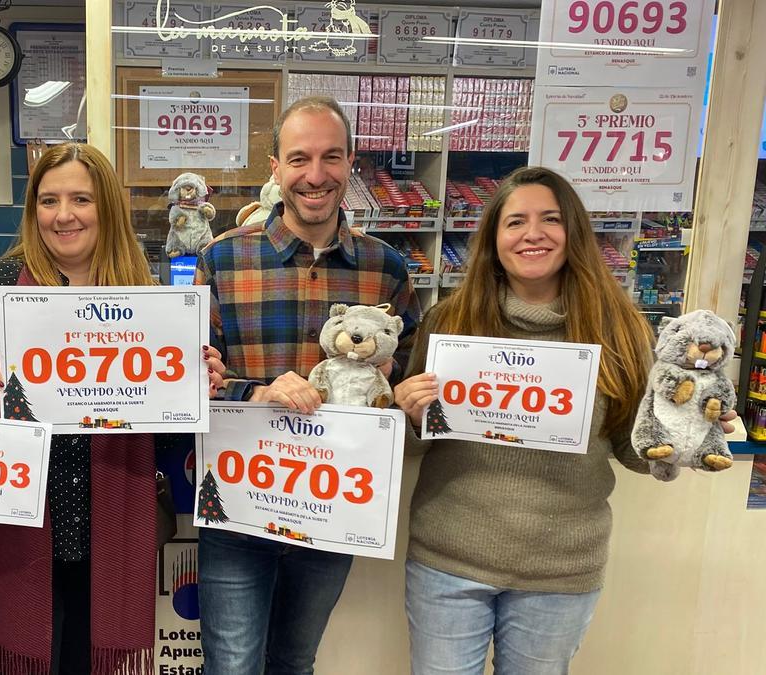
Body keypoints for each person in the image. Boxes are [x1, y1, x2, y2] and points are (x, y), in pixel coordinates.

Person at [392, 165, 697, 674]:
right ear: (493, 239)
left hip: (560, 570)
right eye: (515, 222)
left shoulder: (618, 328)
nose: (532, 234)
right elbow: (415, 443)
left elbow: (631, 448)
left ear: (572, 232)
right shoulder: (450, 322)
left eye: (549, 219)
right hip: (448, 560)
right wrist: (407, 412)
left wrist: (682, 433)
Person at [0, 142, 226, 675]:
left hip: (112, 521)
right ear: (34, 212)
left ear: (107, 210)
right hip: (23, 522)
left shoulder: (144, 297)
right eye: (48, 201)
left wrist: (195, 388)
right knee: (32, 656)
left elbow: (166, 436)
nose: (64, 215)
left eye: (81, 198)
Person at [194, 96, 421, 674]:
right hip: (239, 503)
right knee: (232, 665)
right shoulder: (222, 260)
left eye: (330, 158)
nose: (315, 175)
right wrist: (256, 392)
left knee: (294, 662)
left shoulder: (386, 268)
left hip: (333, 509)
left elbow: (406, 388)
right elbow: (190, 381)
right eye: (298, 159)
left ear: (351, 164)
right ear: (275, 166)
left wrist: (398, 397)